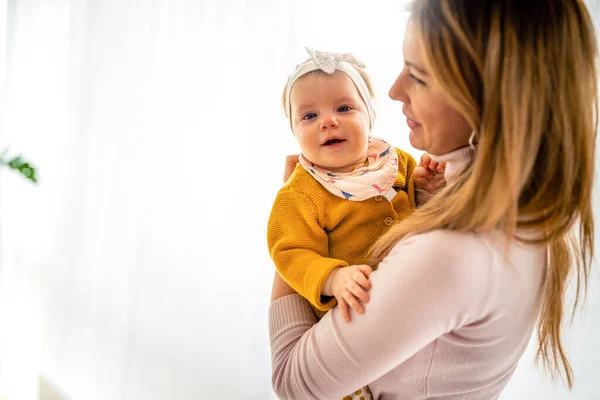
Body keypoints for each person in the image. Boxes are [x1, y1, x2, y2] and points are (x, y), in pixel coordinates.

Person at [268, 0, 597, 399]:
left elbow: (293, 383)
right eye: (308, 116)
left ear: (488, 97)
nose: (393, 91)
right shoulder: (525, 207)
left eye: (419, 77)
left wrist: (295, 207)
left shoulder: (452, 251)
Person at [267, 47, 444, 400]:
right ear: (293, 132)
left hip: (404, 311)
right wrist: (333, 277)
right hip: (347, 318)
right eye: (309, 116)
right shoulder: (299, 194)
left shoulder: (396, 162)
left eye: (344, 108)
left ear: (370, 116)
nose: (328, 121)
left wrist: (426, 190)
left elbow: (418, 222)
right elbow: (290, 252)